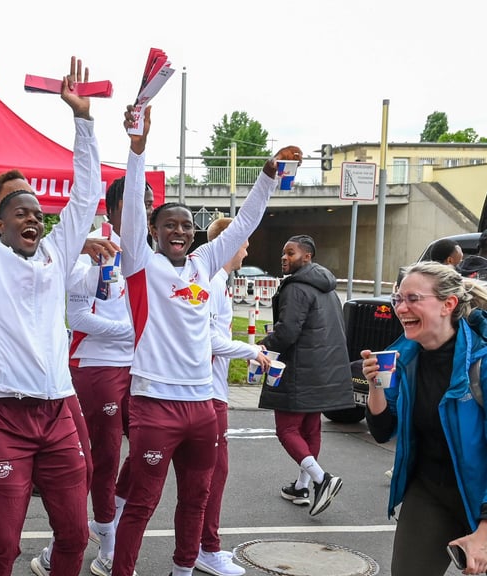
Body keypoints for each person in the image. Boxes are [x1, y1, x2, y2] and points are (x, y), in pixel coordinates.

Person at [0, 42, 100, 576]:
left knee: (76, 535)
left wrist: (83, 122)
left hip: (57, 415)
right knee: (4, 546)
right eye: (19, 211)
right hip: (5, 418)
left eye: (37, 211)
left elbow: (85, 197)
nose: (33, 217)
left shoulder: (56, 256)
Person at [114, 102, 291, 576]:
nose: (179, 230)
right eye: (169, 224)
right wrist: (137, 149)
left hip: (200, 407)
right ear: (151, 231)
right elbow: (133, 204)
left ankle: (183, 569)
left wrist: (267, 177)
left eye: (186, 226)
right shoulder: (140, 266)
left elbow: (243, 224)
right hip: (154, 404)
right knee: (142, 504)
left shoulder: (203, 264)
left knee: (196, 500)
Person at [361, 262, 487, 575]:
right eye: (397, 299)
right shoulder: (407, 359)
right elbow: (382, 430)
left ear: (448, 304)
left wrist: (486, 534)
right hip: (432, 490)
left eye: (413, 299)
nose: (401, 308)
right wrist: (376, 386)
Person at [54, 176, 153, 576]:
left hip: (140, 367)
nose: (144, 211)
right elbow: (77, 317)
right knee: (106, 455)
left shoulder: (147, 252)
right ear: (114, 207)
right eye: (135, 203)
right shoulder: (94, 248)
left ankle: (106, 517)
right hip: (97, 366)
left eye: (147, 203)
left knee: (151, 446)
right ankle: (107, 540)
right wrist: (132, 333)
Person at [195, 217, 270, 576]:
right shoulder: (210, 280)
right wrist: (250, 351)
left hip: (212, 389)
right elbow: (205, 339)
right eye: (244, 242)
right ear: (229, 242)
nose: (247, 249)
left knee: (207, 474)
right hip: (206, 392)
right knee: (212, 473)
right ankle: (204, 547)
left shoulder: (219, 281)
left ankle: (110, 520)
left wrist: (248, 350)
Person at [259, 234, 349, 517]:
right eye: (284, 253)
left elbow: (287, 333)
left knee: (286, 430)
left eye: (291, 253)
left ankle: (323, 480)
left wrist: (264, 345)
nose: (284, 258)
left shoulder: (296, 288)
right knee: (311, 429)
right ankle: (301, 486)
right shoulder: (327, 286)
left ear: (307, 257)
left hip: (299, 368)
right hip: (324, 368)